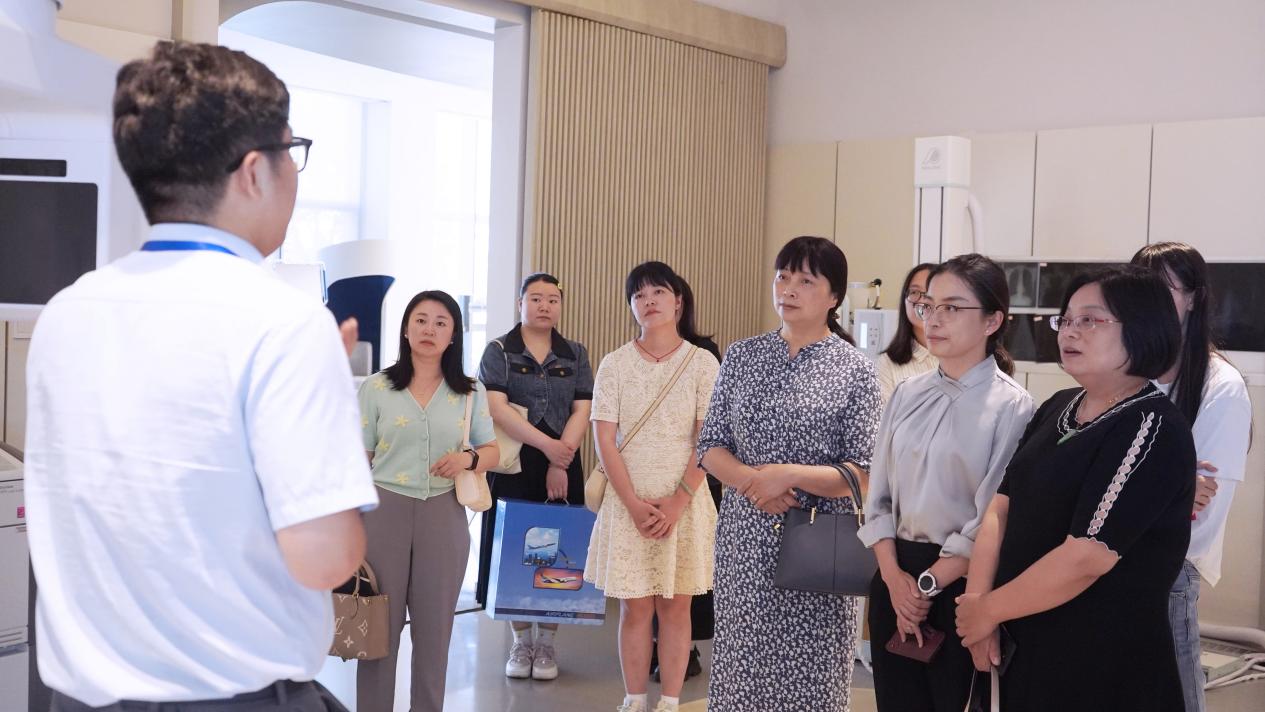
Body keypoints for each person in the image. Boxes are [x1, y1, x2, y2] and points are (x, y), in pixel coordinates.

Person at [24, 42, 378, 711]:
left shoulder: (66, 312)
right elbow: (327, 558)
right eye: (291, 151)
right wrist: (332, 414)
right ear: (254, 171)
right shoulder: (284, 323)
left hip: (79, 698)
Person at [955, 266, 1196, 712]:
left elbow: (1087, 556)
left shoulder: (1151, 425)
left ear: (1143, 329)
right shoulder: (1058, 406)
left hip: (1100, 665)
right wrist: (978, 604)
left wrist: (988, 611)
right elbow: (1000, 509)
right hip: (1022, 646)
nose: (1070, 331)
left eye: (1090, 320)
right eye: (1065, 319)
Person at [699, 236, 882, 712]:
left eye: (806, 280)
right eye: (783, 276)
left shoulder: (856, 370)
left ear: (834, 296)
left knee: (814, 680)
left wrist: (787, 476)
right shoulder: (742, 356)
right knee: (742, 670)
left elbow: (863, 471)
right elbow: (709, 446)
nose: (789, 289)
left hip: (820, 545)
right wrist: (754, 483)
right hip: (745, 541)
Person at [859, 254, 1033, 711]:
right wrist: (894, 579)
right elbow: (878, 497)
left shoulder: (1013, 406)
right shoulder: (906, 394)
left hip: (960, 585)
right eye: (927, 306)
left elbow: (994, 514)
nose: (933, 319)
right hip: (894, 576)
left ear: (993, 320)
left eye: (952, 308)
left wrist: (926, 585)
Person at [356, 290, 500, 712]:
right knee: (377, 635)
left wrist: (467, 460)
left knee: (435, 634)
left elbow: (492, 451)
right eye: (420, 320)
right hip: (382, 514)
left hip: (444, 514)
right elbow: (358, 458)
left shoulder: (470, 391)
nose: (429, 329)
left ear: (453, 335)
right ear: (405, 328)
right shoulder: (376, 387)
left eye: (441, 322)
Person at [586, 261, 720, 712]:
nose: (649, 302)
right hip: (630, 500)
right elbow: (605, 439)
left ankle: (670, 702)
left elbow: (708, 439)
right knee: (635, 608)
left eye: (658, 292)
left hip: (685, 500)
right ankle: (634, 699)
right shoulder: (614, 363)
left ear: (677, 301)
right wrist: (632, 503)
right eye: (639, 295)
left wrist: (679, 500)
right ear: (631, 306)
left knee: (676, 607)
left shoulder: (702, 362)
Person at [1132, 242, 1253, 712]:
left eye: (1162, 289)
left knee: (1175, 697)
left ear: (1193, 298)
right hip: (1109, 559)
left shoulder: (1221, 387)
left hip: (1169, 567)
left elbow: (1198, 506)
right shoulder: (1128, 372)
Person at [475, 272, 594, 681]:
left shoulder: (575, 353)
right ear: (520, 303)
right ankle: (521, 640)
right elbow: (496, 408)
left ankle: (547, 643)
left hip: (563, 458)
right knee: (515, 550)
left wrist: (560, 461)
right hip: (515, 461)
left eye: (553, 299)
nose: (545, 306)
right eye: (536, 298)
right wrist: (548, 448)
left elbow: (582, 409)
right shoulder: (499, 350)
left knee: (558, 551)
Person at [876, 262, 939, 403]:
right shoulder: (886, 364)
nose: (922, 301)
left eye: (930, 292)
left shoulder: (963, 357)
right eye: (914, 292)